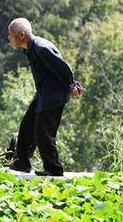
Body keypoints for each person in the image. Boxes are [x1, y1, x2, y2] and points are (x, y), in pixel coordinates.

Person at [6, 18, 84, 176]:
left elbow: (62, 67)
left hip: (54, 95)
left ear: (21, 35)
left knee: (43, 130)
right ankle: (23, 163)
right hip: (43, 93)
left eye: (11, 34)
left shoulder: (41, 48)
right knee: (27, 126)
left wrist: (71, 86)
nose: (8, 37)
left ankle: (54, 169)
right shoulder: (31, 48)